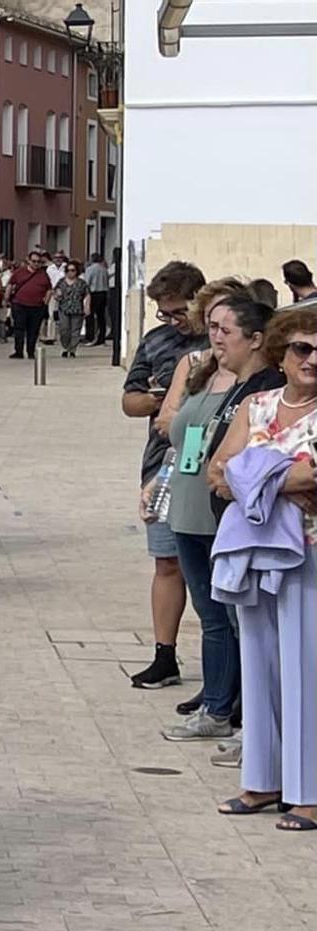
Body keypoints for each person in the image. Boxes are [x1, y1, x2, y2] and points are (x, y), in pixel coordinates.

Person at [208, 303, 317, 832]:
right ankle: (263, 781)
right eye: (302, 347)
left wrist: (253, 474)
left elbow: (244, 476)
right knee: (261, 666)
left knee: (307, 672)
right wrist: (280, 475)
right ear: (282, 351)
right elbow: (217, 471)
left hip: (310, 555)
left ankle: (309, 794)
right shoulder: (256, 404)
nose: (312, 359)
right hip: (255, 550)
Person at [155, 294, 275, 746]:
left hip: (230, 519)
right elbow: (188, 441)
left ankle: (244, 715)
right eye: (212, 326)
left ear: (256, 338)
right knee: (212, 616)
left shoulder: (264, 386)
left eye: (226, 329)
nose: (215, 335)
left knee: (237, 620)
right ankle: (218, 707)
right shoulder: (208, 374)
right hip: (196, 505)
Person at [122, 259, 208, 690]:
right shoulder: (156, 343)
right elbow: (129, 401)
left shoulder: (222, 340)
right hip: (162, 464)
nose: (173, 322)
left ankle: (222, 658)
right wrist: (164, 401)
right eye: (165, 313)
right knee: (167, 561)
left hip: (210, 466)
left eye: (179, 312)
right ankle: (164, 655)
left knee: (211, 568)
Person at [5, 250, 51, 360]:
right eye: (34, 261)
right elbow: (10, 285)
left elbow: (49, 289)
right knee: (19, 329)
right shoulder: (19, 272)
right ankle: (18, 351)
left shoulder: (43, 274)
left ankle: (31, 351)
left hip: (37, 306)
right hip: (19, 304)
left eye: (39, 262)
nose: (36, 264)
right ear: (28, 261)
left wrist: (46, 302)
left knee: (33, 330)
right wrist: (6, 299)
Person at [51, 261, 91, 357]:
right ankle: (65, 346)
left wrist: (87, 306)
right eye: (68, 270)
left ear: (76, 271)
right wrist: (57, 295)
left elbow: (87, 294)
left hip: (77, 309)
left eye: (73, 270)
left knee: (75, 331)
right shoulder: (61, 282)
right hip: (64, 309)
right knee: (64, 330)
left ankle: (72, 349)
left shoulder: (82, 283)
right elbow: (55, 293)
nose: (70, 272)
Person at [83, 252, 110, 345]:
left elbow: (86, 282)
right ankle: (101, 337)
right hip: (103, 293)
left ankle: (89, 337)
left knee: (89, 315)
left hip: (93, 293)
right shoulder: (104, 269)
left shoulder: (90, 269)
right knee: (101, 316)